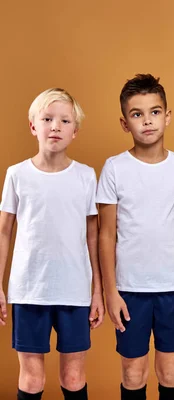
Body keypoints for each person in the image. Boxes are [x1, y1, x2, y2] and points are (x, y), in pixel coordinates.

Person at [97, 74, 174, 400]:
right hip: (129, 290)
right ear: (125, 123)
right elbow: (105, 234)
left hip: (171, 289)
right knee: (133, 372)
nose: (147, 121)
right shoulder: (114, 168)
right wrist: (110, 291)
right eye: (137, 114)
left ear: (167, 116)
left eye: (154, 112)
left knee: (171, 372)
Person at [0, 88, 104, 400]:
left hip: (74, 291)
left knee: (73, 377)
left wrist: (97, 290)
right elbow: (4, 231)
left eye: (64, 120)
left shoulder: (86, 177)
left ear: (75, 131)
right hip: (29, 290)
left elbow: (93, 236)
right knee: (32, 379)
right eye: (47, 119)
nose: (55, 126)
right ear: (33, 126)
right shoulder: (17, 175)